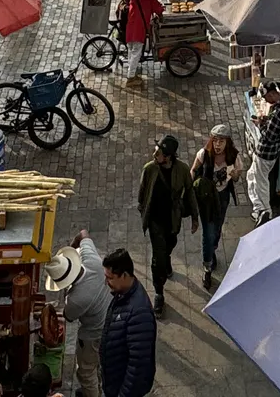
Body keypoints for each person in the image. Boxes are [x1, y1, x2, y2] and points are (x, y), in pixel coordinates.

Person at [137, 134, 196, 317]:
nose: (155, 153)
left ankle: (167, 259)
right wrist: (143, 211)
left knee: (170, 245)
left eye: (159, 151)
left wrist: (195, 217)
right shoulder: (149, 169)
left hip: (172, 220)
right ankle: (159, 293)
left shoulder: (183, 170)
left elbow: (190, 192)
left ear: (168, 156)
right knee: (157, 259)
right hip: (155, 221)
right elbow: (142, 192)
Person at [46, 229, 111, 397]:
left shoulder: (76, 299)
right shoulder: (92, 261)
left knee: (86, 372)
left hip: (93, 335)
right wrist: (73, 246)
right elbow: (83, 234)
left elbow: (68, 316)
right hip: (109, 318)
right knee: (97, 363)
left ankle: (92, 393)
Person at [190, 125, 241, 291]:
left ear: (227, 142)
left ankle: (212, 251)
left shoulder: (233, 156)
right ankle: (207, 266)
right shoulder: (204, 154)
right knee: (208, 232)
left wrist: (234, 175)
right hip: (207, 199)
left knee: (217, 229)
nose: (218, 144)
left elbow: (238, 175)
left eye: (222, 141)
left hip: (223, 196)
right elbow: (193, 170)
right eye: (215, 140)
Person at [100, 249, 157, 397]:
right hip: (114, 380)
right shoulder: (123, 294)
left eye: (110, 278)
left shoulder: (139, 313)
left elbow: (137, 366)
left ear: (124, 275)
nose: (107, 283)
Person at [246, 81, 280, 225]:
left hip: (265, 153)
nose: (264, 100)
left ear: (273, 94)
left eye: (266, 97)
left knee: (261, 181)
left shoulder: (277, 115)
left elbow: (268, 136)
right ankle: (258, 208)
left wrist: (260, 125)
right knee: (251, 175)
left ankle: (266, 211)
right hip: (272, 151)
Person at [122, 0, 163, 87]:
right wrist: (161, 9)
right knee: (136, 54)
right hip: (139, 30)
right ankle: (130, 78)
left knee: (131, 51)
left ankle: (132, 74)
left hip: (130, 29)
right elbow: (158, 9)